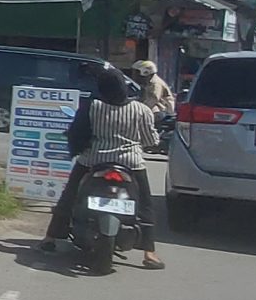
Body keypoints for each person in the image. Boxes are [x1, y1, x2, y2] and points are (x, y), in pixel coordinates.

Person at [40, 71, 165, 269]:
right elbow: (151, 140)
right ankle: (149, 253)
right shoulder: (142, 110)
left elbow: (77, 133)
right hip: (130, 163)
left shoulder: (92, 106)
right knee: (145, 206)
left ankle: (50, 238)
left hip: (93, 161)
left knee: (70, 196)